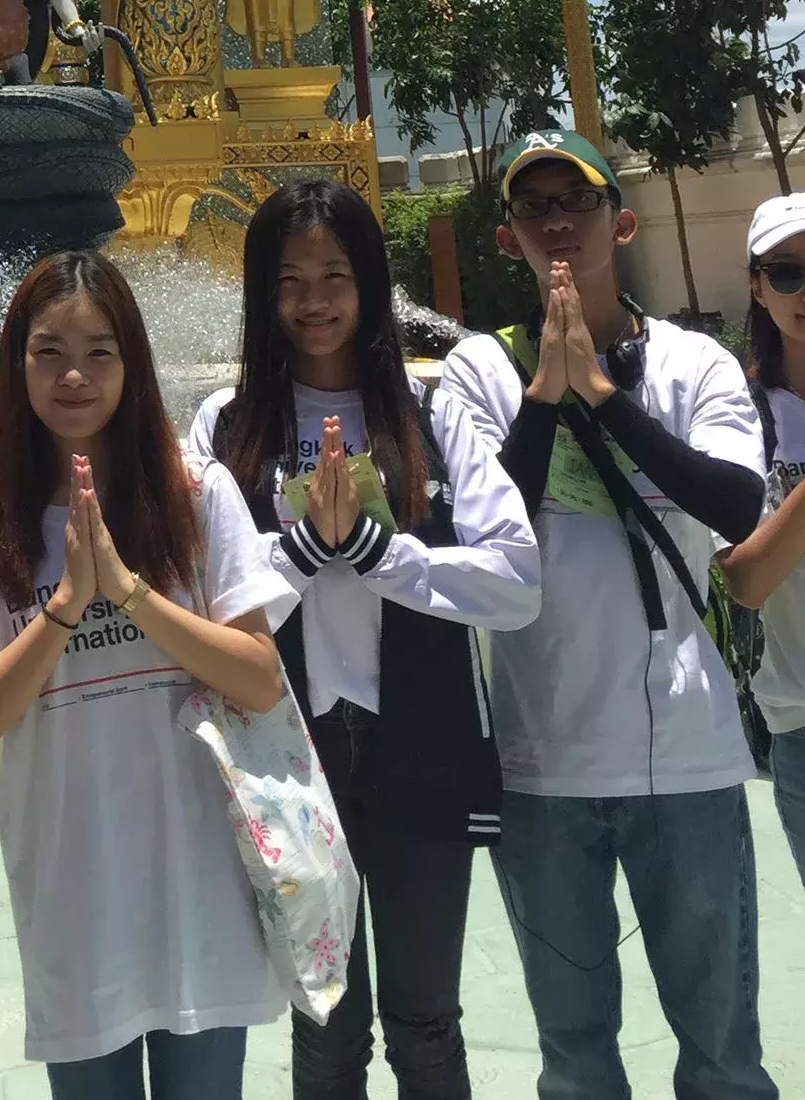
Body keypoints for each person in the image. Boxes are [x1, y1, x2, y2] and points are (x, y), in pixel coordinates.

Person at [435, 130, 776, 1100]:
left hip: (692, 751)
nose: (555, 220)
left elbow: (733, 502)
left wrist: (603, 394)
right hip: (545, 762)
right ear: (506, 234)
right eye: (533, 205)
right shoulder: (476, 373)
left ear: (617, 221)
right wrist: (545, 396)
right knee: (577, 1059)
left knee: (723, 1053)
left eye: (574, 200)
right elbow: (478, 529)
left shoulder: (693, 361)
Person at [187, 181, 540, 1100]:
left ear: (371, 284)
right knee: (327, 1026)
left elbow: (517, 578)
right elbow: (199, 601)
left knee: (426, 1023)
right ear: (263, 292)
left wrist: (387, 554)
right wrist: (303, 551)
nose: (314, 300)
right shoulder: (227, 425)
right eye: (290, 278)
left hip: (417, 745)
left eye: (336, 274)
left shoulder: (428, 416)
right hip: (292, 760)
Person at [0, 249, 289, 1100]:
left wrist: (129, 592)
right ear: (14, 362)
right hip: (75, 886)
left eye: (100, 350)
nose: (74, 375)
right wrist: (63, 607)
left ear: (132, 362)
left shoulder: (194, 492)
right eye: (48, 350)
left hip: (197, 881)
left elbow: (259, 676)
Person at [721, 192, 805, 884]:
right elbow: (744, 579)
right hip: (800, 714)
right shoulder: (740, 415)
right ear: (756, 283)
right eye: (787, 272)